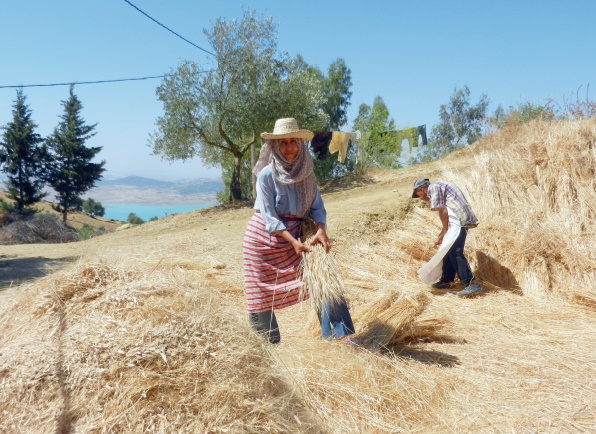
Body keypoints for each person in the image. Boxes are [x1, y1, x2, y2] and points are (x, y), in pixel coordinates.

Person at [242, 118, 355, 344]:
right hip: (263, 241)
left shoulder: (307, 174)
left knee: (325, 278)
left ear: (300, 145)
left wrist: (321, 230)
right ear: (274, 146)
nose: (289, 147)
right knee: (260, 296)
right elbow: (269, 217)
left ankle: (338, 336)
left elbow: (317, 208)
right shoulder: (266, 175)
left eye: (293, 141)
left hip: (299, 236)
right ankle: (265, 346)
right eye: (283, 143)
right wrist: (292, 242)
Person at [411, 177, 482, 297]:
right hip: (457, 220)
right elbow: (447, 215)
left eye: (418, 194)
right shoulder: (440, 187)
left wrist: (445, 231)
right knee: (449, 250)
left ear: (421, 190)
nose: (421, 198)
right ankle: (446, 280)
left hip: (458, 219)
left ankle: (471, 283)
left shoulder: (434, 188)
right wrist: (442, 235)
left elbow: (443, 211)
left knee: (455, 251)